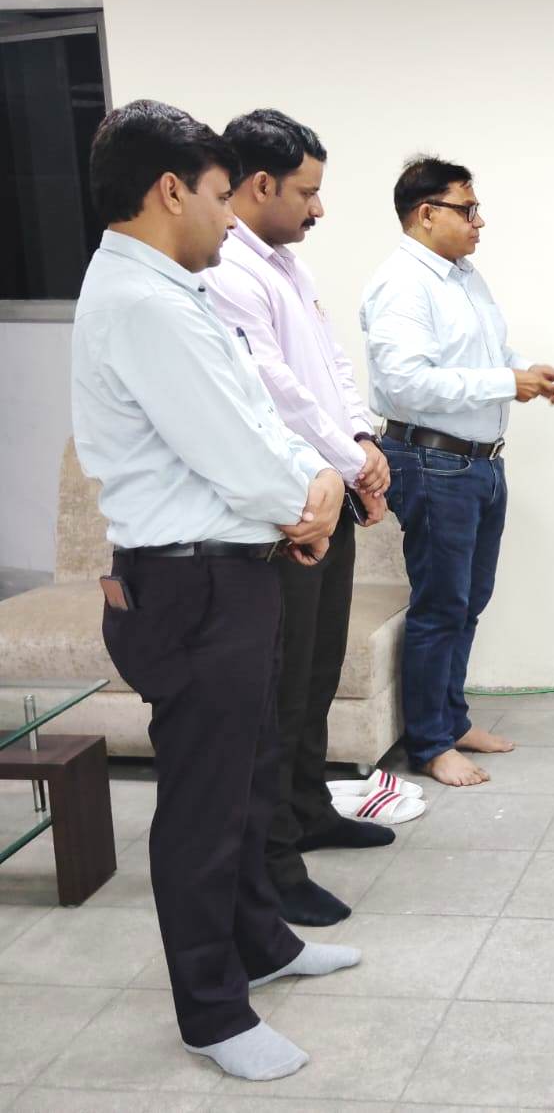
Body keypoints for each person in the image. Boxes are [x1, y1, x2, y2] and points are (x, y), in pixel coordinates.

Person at [72, 100, 360, 1081]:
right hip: (191, 583)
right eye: (215, 195)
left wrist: (310, 481)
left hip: (229, 570)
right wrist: (308, 498)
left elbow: (254, 414)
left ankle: (260, 942)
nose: (229, 218)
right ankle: (212, 1010)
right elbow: (235, 449)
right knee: (203, 804)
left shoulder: (174, 290)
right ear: (169, 191)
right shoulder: (144, 304)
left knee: (245, 778)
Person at [207, 109, 394, 929]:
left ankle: (310, 809)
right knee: (282, 692)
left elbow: (331, 368)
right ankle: (276, 860)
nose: (319, 208)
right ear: (260, 184)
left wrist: (363, 439)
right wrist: (351, 460)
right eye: (307, 192)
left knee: (317, 672)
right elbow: (276, 391)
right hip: (287, 514)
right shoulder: (228, 271)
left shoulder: (287, 265)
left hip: (331, 493)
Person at [361, 156, 554, 786]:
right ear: (427, 214)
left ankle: (451, 720)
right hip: (431, 461)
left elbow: (489, 352)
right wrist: (506, 382)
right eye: (468, 209)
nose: (479, 222)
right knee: (441, 605)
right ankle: (429, 743)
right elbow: (407, 383)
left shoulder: (464, 276)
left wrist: (525, 370)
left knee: (468, 602)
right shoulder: (402, 284)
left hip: (477, 462)